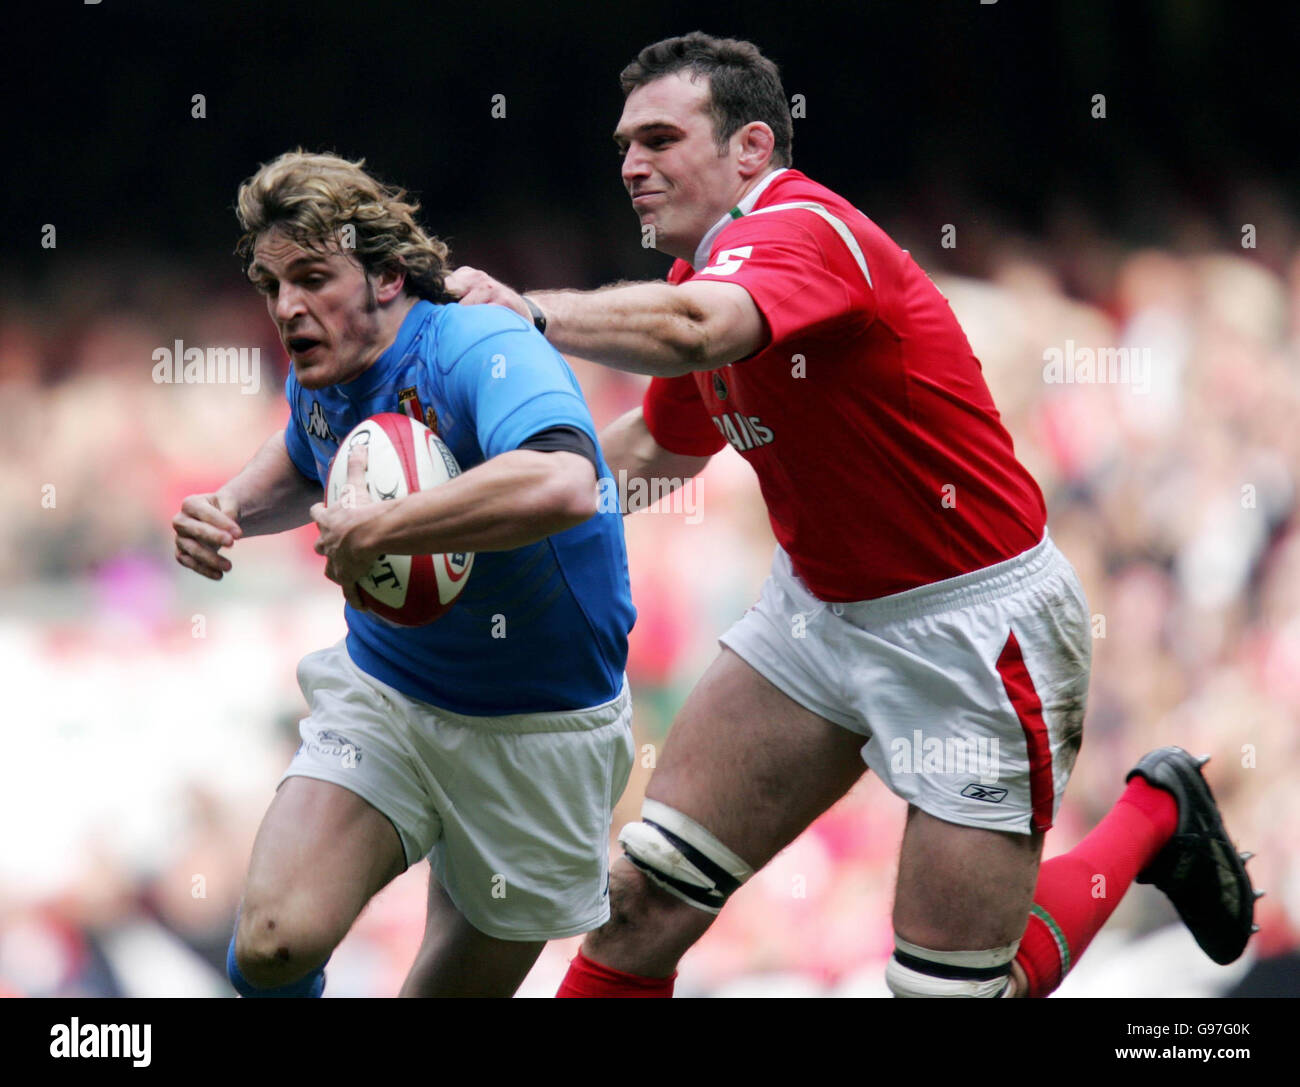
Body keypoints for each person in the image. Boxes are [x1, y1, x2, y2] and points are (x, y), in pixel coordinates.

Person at [447, 32, 1260, 998]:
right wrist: (467, 521)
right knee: (639, 903)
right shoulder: (700, 281)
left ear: (752, 147)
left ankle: (1153, 814)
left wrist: (524, 312)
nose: (631, 164)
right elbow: (652, 452)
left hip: (971, 628)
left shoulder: (801, 233)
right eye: (625, 143)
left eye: (660, 138)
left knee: (950, 993)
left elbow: (702, 328)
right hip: (816, 614)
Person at [171, 149, 636, 997]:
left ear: (388, 277)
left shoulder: (475, 343)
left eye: (312, 276)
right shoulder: (324, 366)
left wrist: (383, 528)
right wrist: (231, 505)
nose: (288, 307)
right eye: (274, 286)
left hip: (540, 731)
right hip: (391, 694)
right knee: (273, 944)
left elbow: (566, 480)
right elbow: (309, 450)